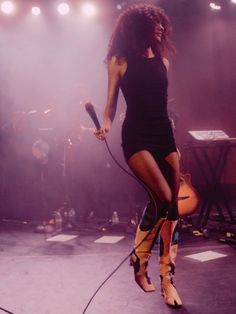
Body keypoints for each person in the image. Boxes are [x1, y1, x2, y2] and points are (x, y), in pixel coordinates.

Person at [95, 3, 182, 308]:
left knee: (173, 208)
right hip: (137, 135)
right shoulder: (119, 61)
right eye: (154, 23)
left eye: (161, 23)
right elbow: (110, 107)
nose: (160, 27)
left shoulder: (163, 62)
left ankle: (167, 279)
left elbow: (158, 99)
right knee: (162, 197)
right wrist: (105, 126)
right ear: (138, 28)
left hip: (164, 135)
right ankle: (139, 258)